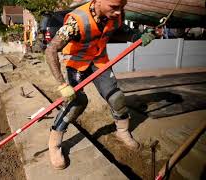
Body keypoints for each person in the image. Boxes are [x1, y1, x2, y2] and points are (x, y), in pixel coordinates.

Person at [45, 0, 156, 170]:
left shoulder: (116, 14)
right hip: (77, 62)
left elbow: (117, 31)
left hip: (99, 60)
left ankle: (123, 132)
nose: (119, 12)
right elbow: (51, 49)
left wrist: (136, 36)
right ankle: (54, 144)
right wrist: (61, 84)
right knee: (77, 102)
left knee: (116, 97)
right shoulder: (77, 21)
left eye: (122, 7)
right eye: (114, 7)